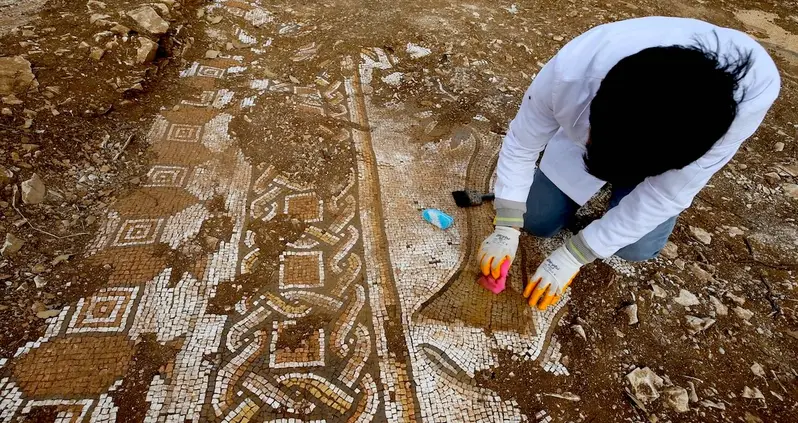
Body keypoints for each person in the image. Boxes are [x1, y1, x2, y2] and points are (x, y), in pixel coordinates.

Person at [477, 16, 781, 310]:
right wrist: (506, 223)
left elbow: (664, 195)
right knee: (534, 218)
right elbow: (522, 142)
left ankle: (625, 179)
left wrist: (574, 255)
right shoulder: (574, 69)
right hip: (615, 125)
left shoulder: (740, 109)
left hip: (658, 145)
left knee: (636, 248)